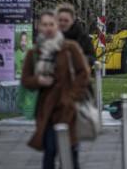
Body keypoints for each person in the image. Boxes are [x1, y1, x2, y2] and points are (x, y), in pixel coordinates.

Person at [22, 10, 90, 169]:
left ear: (57, 26)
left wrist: (72, 96)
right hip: (46, 109)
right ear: (39, 27)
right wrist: (37, 80)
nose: (48, 28)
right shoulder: (35, 52)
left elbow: (83, 73)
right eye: (44, 24)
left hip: (67, 108)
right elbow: (26, 79)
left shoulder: (69, 48)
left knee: (70, 152)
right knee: (50, 150)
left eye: (51, 24)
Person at [56, 3, 96, 68]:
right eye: (60, 20)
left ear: (72, 21)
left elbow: (92, 57)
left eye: (66, 21)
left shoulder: (82, 36)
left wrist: (79, 59)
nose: (63, 23)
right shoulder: (50, 36)